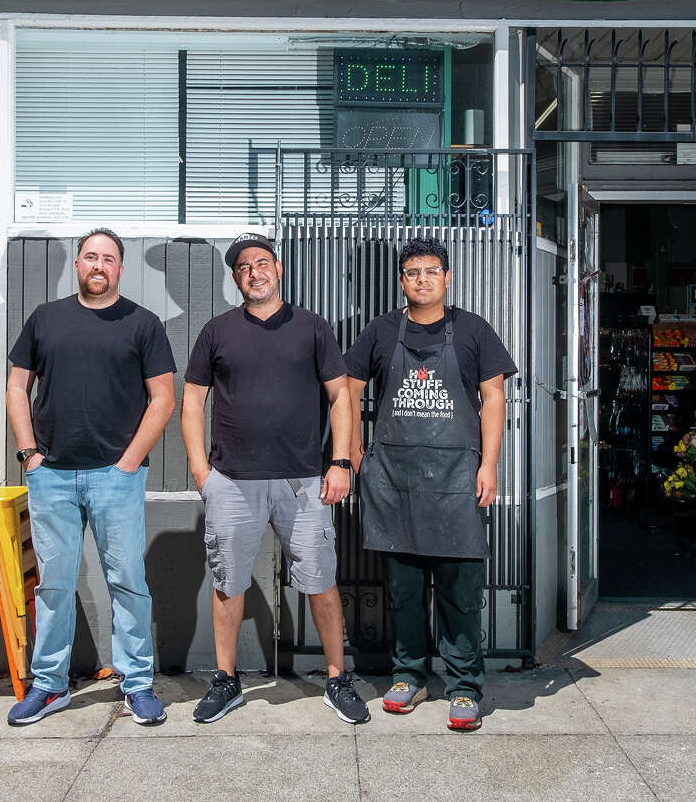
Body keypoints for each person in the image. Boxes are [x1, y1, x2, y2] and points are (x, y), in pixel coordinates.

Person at [180, 232, 370, 725]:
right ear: (235, 277)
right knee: (228, 583)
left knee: (321, 582)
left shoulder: (311, 327)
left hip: (303, 481)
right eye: (243, 267)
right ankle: (227, 681)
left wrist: (341, 461)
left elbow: (341, 397)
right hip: (233, 481)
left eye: (261, 263)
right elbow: (192, 401)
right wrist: (202, 470)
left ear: (279, 268)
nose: (254, 273)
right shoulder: (217, 331)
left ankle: (335, 676)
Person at [4, 229, 176, 727]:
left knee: (128, 582)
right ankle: (50, 686)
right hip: (51, 475)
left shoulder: (142, 323)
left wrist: (128, 462)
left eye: (109, 258)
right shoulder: (45, 319)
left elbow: (163, 398)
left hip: (114, 477)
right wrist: (28, 452)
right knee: (53, 586)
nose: (98, 265)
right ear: (77, 264)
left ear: (120, 268)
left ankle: (137, 684)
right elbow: (17, 385)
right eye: (90, 256)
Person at [345, 236, 516, 731]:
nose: (422, 279)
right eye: (412, 272)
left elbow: (494, 398)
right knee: (403, 589)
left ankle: (465, 687)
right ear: (402, 280)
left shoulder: (474, 331)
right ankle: (409, 676)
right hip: (393, 481)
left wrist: (489, 465)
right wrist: (354, 449)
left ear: (447, 278)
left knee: (460, 593)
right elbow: (349, 389)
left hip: (457, 480)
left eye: (431, 271)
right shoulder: (379, 331)